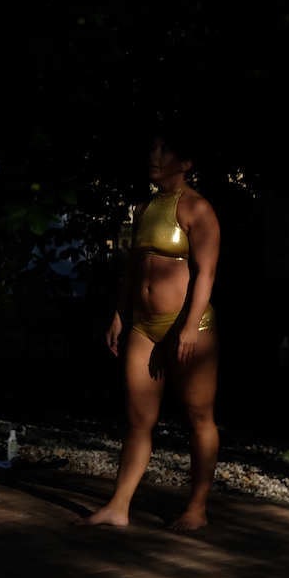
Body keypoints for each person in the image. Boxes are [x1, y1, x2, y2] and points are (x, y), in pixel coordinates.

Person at [76, 129, 222, 531]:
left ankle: (197, 508)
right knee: (136, 419)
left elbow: (206, 272)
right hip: (143, 326)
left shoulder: (197, 208)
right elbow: (132, 269)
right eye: (153, 148)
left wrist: (190, 327)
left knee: (198, 417)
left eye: (165, 150)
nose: (154, 155)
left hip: (189, 325)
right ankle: (118, 507)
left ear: (186, 163)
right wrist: (119, 316)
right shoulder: (143, 208)